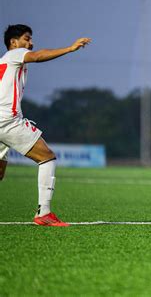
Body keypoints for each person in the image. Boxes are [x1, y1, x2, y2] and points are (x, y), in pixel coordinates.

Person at [0, 24, 91, 226]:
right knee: (47, 157)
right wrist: (69, 48)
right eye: (26, 38)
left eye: (30, 39)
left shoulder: (5, 63)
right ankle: (44, 213)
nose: (30, 43)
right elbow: (39, 56)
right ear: (13, 42)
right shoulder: (15, 54)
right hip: (6, 120)